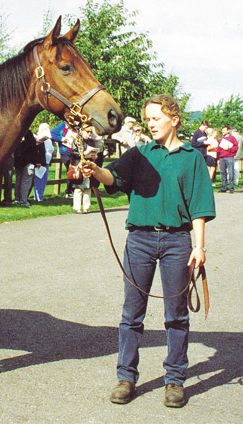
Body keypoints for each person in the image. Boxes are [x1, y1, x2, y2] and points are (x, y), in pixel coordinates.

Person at [82, 95, 215, 408]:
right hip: (139, 239)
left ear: (174, 119)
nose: (150, 124)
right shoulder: (138, 153)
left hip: (177, 242)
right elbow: (113, 177)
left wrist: (199, 246)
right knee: (131, 314)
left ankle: (175, 380)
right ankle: (126, 377)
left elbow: (199, 205)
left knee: (176, 315)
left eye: (156, 118)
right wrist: (95, 170)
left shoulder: (192, 157)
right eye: (148, 119)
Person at [69, 126, 99, 214]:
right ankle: (77, 207)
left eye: (90, 132)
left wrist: (94, 156)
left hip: (88, 164)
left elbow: (94, 152)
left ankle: (86, 207)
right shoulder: (77, 140)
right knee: (78, 187)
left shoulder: (91, 141)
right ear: (82, 131)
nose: (89, 134)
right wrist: (84, 153)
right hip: (78, 164)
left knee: (88, 187)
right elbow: (73, 153)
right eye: (87, 131)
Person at [50, 121, 77, 198]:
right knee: (70, 169)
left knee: (75, 170)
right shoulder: (63, 125)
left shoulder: (76, 127)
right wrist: (61, 139)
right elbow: (51, 134)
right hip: (65, 151)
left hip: (74, 151)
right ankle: (68, 191)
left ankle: (72, 190)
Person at [13, 130, 39, 207]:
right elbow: (33, 149)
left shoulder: (16, 134)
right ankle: (23, 201)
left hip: (18, 162)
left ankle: (17, 199)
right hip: (27, 162)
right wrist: (35, 161)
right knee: (25, 182)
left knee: (18, 181)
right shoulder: (29, 135)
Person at [33, 123, 54, 201]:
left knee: (44, 180)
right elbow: (37, 151)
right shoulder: (38, 137)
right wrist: (38, 162)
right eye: (46, 128)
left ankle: (41, 195)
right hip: (40, 163)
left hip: (47, 162)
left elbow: (50, 150)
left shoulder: (49, 140)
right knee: (39, 179)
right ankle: (38, 197)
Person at [216, 126, 239, 193]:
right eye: (222, 130)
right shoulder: (221, 138)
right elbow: (219, 148)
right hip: (222, 157)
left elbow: (236, 147)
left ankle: (231, 188)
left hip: (229, 157)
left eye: (224, 130)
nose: (223, 131)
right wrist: (218, 157)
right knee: (223, 173)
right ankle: (223, 187)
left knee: (230, 172)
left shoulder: (232, 138)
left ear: (228, 131)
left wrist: (229, 149)